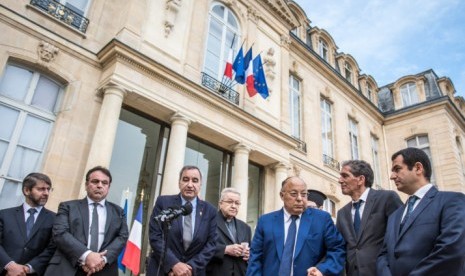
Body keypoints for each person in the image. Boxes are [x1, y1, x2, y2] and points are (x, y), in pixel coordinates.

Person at [377, 147, 465, 275]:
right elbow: (383, 255)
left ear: (418, 168)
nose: (392, 176)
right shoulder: (395, 216)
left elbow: (451, 248)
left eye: (397, 169)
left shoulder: (452, 201)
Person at [246, 176, 345, 276]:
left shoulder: (322, 219)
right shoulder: (265, 221)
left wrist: (322, 270)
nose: (299, 199)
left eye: (304, 194)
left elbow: (337, 250)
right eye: (293, 194)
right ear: (282, 195)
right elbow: (255, 258)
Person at [44, 166, 129, 276]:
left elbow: (122, 237)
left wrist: (102, 259)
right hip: (68, 267)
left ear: (108, 187)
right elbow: (60, 233)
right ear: (86, 185)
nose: (99, 185)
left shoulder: (119, 211)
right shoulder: (68, 206)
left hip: (103, 269)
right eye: (95, 181)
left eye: (104, 183)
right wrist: (87, 255)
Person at [147, 165, 217, 276]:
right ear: (179, 182)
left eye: (195, 180)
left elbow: (211, 244)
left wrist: (190, 268)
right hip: (163, 271)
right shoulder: (163, 202)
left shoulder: (210, 211)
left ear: (200, 185)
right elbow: (155, 236)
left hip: (193, 272)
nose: (190, 185)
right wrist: (174, 264)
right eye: (185, 179)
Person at [336, 160, 402, 276]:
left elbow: (402, 235)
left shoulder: (387, 198)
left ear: (361, 179)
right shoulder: (342, 213)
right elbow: (339, 248)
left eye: (345, 176)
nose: (340, 180)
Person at [0, 173, 56, 276]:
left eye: (48, 189)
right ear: (26, 190)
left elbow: (52, 248)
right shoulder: (4, 215)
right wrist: (10, 266)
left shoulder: (55, 219)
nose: (46, 193)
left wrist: (28, 268)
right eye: (41, 189)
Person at [206, 187, 252, 276]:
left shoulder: (245, 227)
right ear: (220, 203)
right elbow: (200, 248)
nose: (234, 206)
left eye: (237, 203)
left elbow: (252, 252)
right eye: (230, 202)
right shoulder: (208, 222)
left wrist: (249, 255)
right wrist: (225, 250)